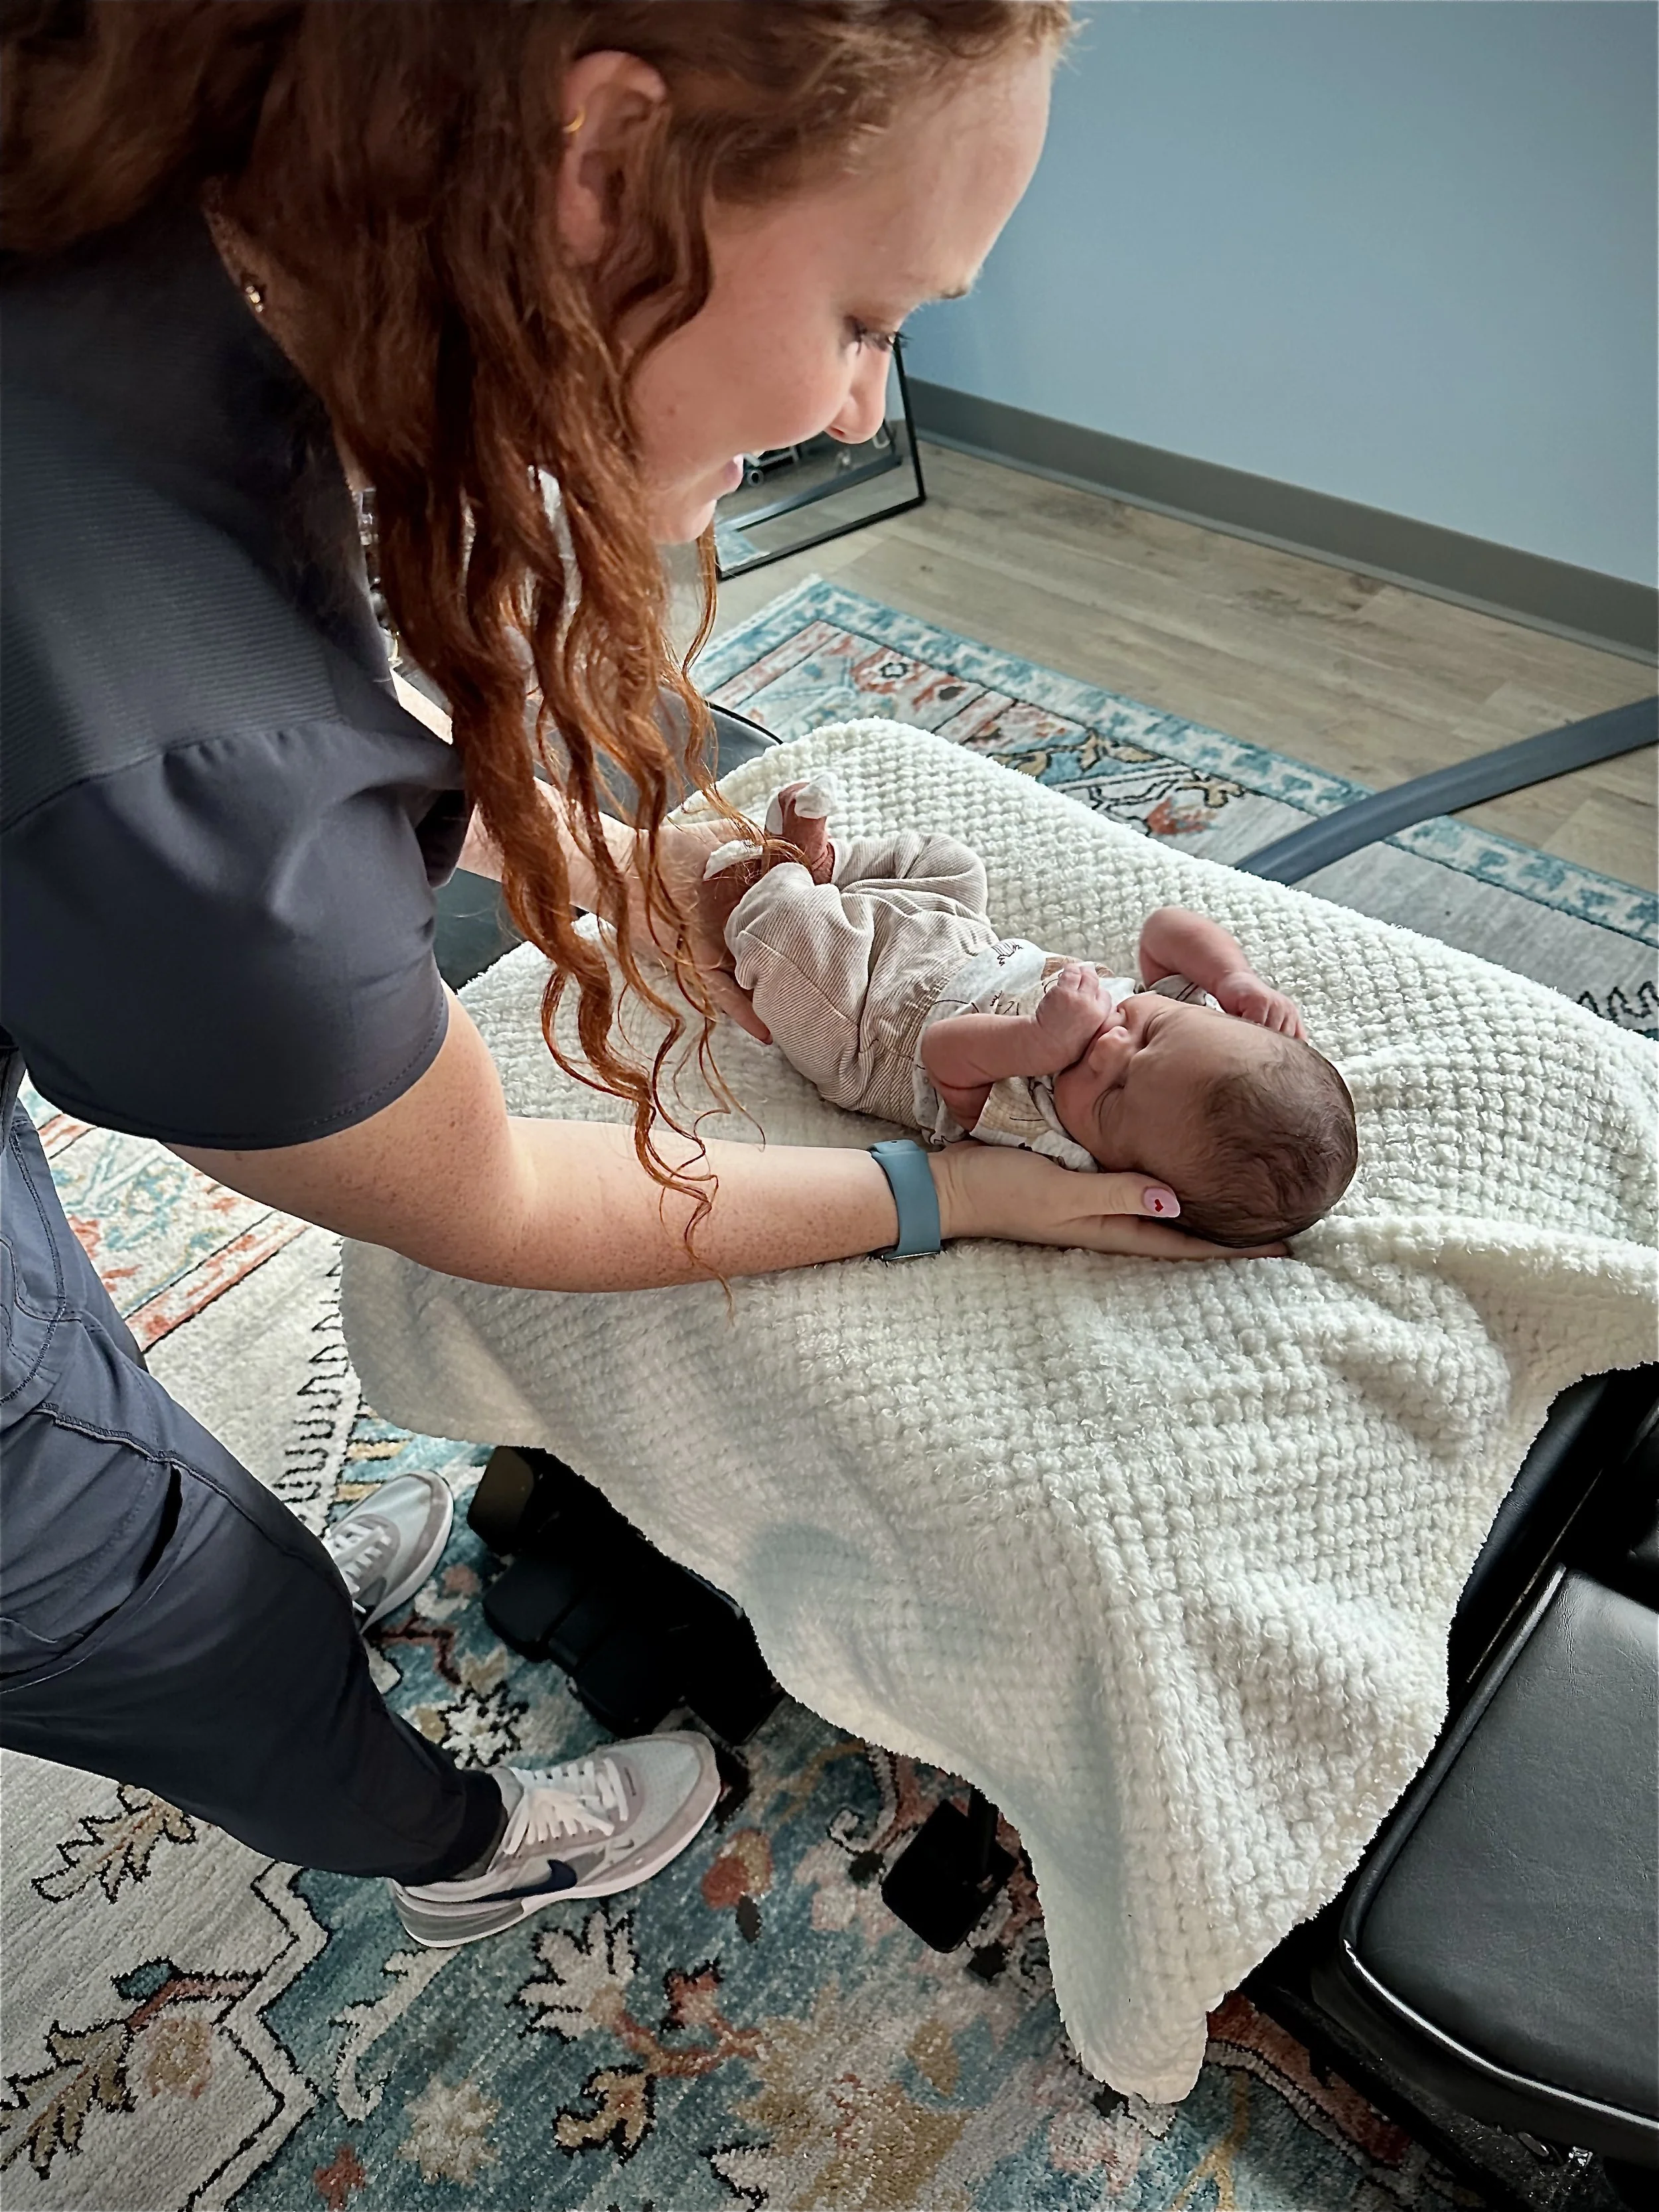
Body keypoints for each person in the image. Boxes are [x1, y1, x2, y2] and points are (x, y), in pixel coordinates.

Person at [1, 0, 1278, 1952]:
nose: (862, 406)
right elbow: (489, 1192)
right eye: (869, 318)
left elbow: (379, 714)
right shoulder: (193, 788)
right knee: (152, 1586)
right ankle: (438, 1835)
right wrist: (962, 1187)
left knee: (103, 1390)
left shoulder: (209, 164)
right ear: (600, 164)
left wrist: (659, 877)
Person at [703, 777, 1358, 1246]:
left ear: (1120, 1169)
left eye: (1112, 1096)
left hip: (871, 1025)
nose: (1107, 1048)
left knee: (787, 939)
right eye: (1148, 1031)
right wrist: (1233, 976)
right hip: (962, 939)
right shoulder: (1195, 1022)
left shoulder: (1049, 1140)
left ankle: (754, 890)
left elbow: (945, 1059)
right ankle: (825, 866)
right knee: (952, 868)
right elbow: (1164, 929)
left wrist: (1038, 1044)